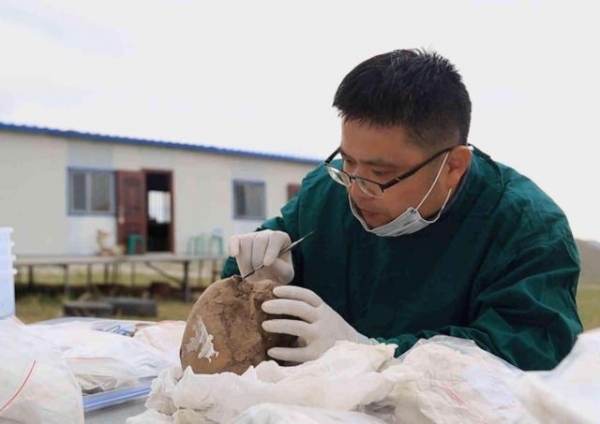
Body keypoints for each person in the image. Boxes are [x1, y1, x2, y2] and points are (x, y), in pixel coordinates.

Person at [221, 48, 583, 371]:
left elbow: (530, 352)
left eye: (380, 174)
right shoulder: (328, 192)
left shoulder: (526, 226)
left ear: (453, 166)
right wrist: (257, 280)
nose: (357, 191)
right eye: (348, 162)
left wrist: (376, 355)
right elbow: (237, 300)